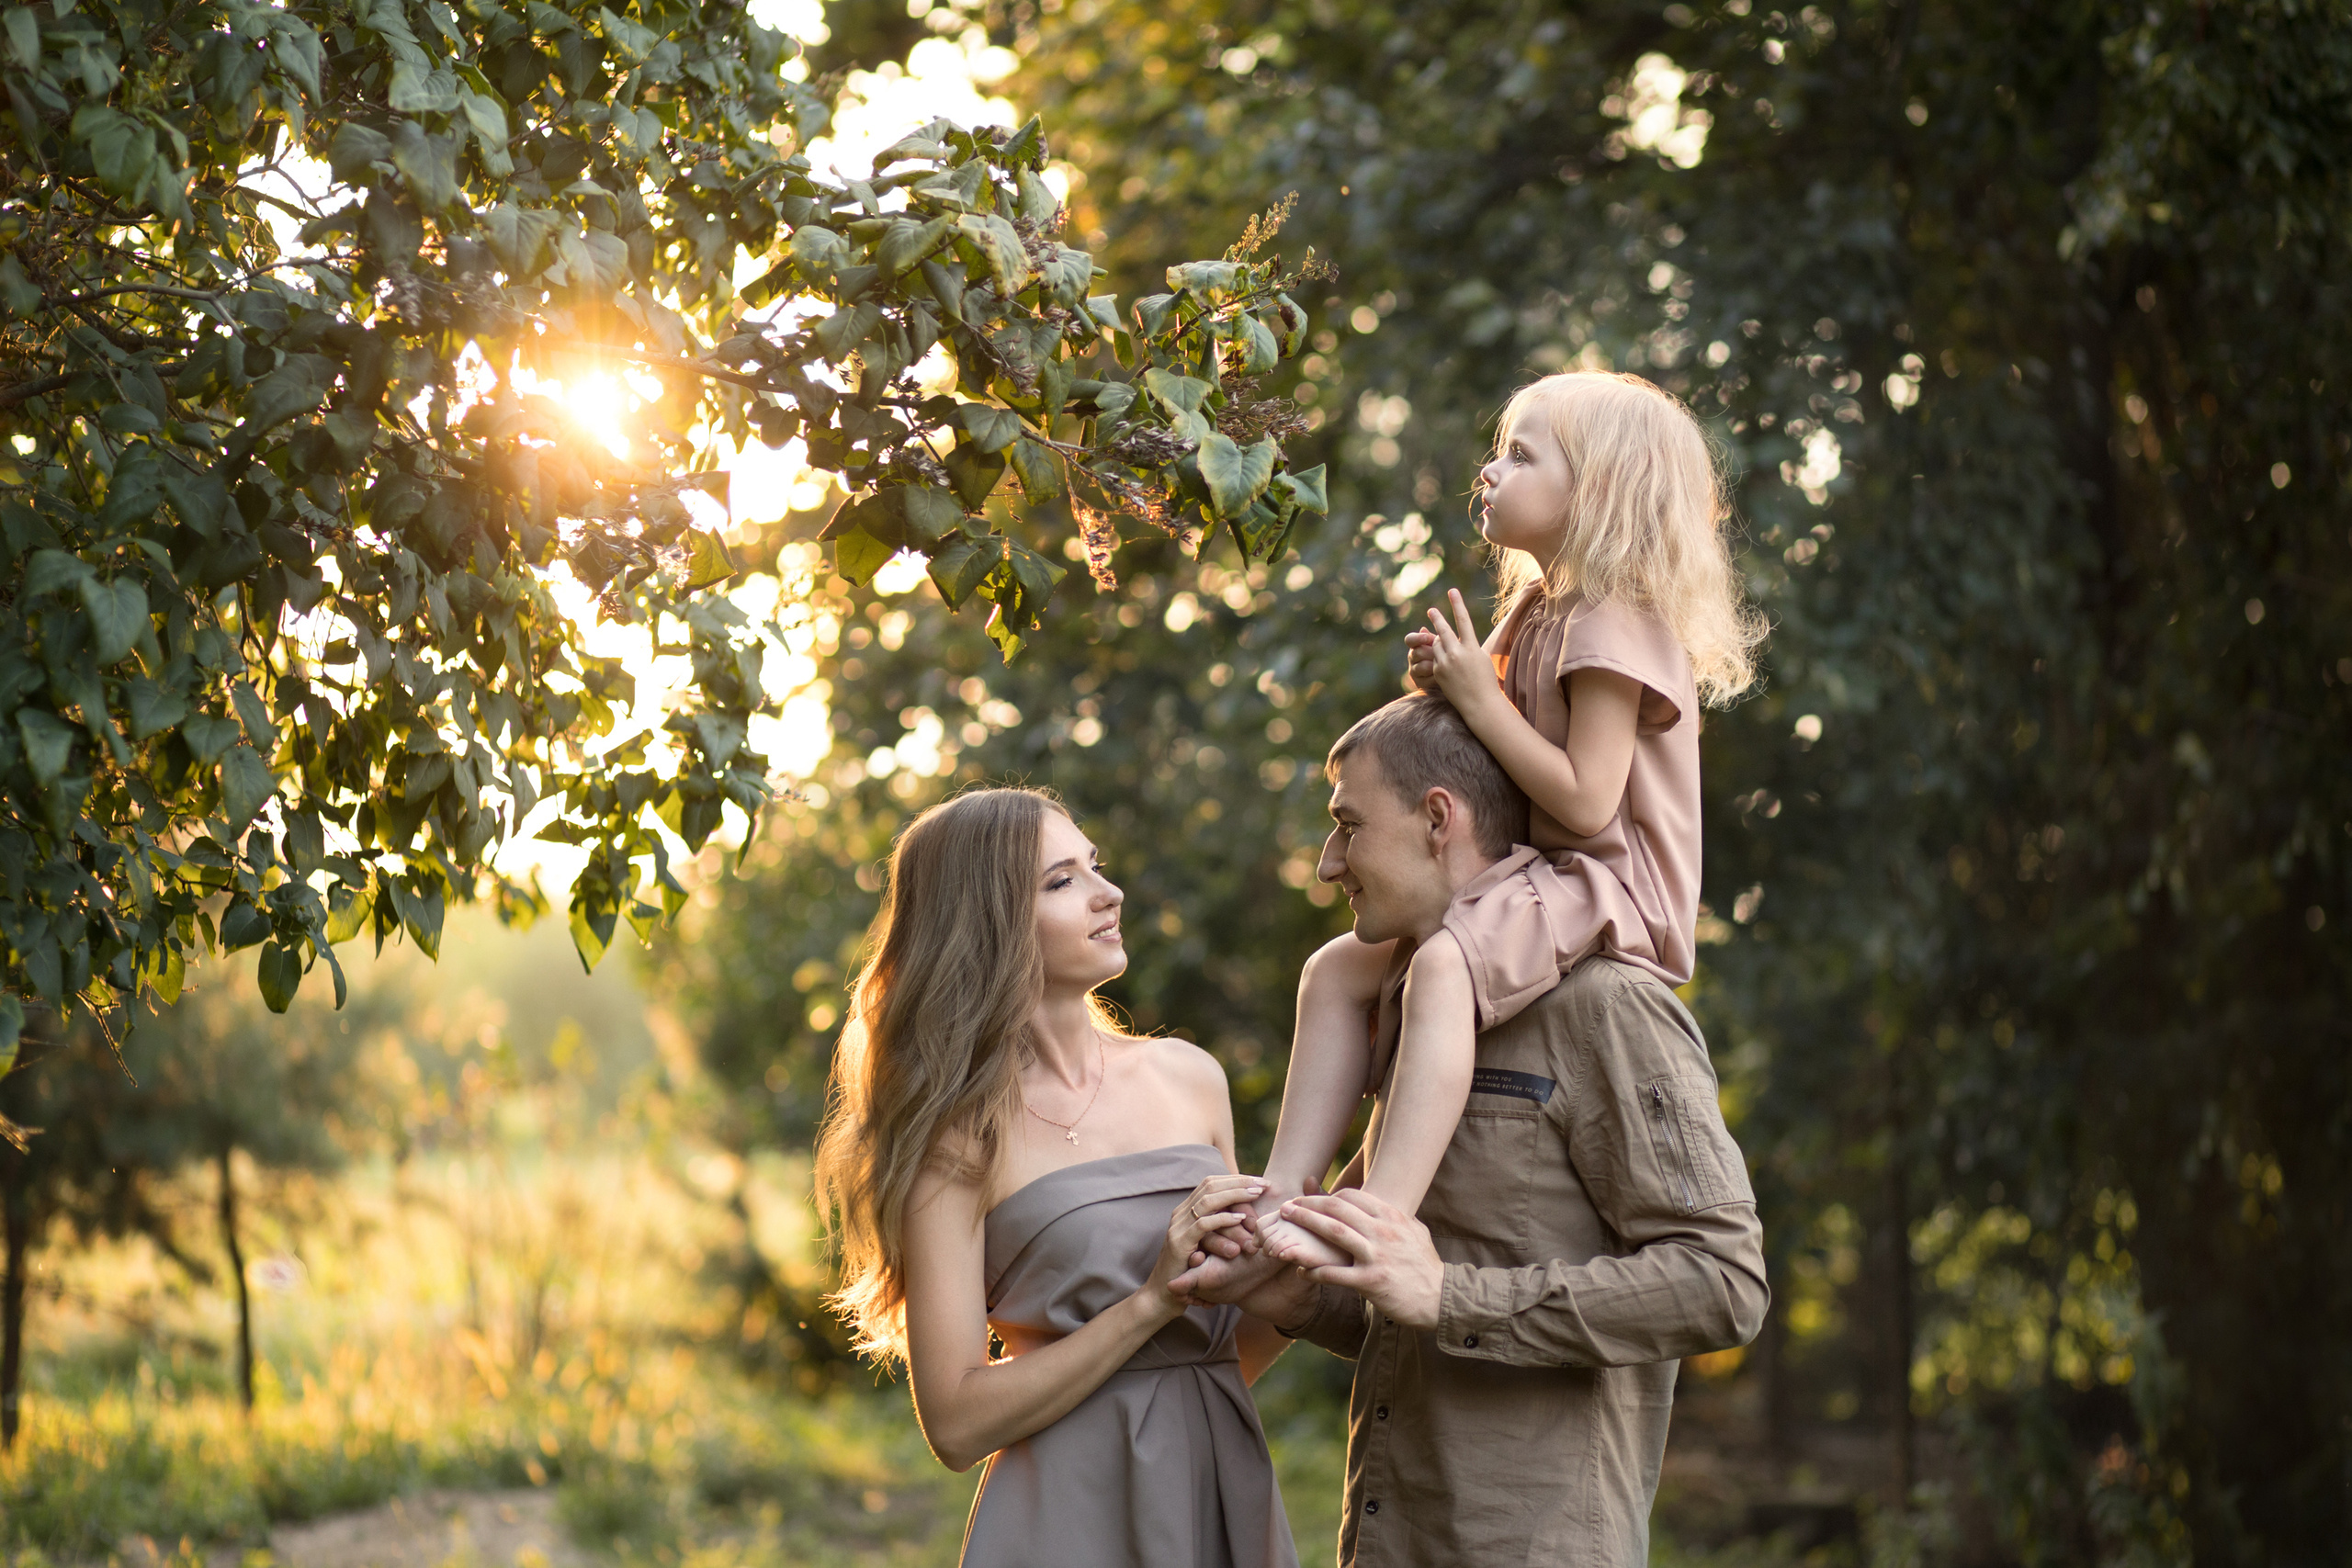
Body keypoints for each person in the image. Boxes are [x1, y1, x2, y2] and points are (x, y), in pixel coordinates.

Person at [1181, 694, 1768, 1565]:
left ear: (1437, 819)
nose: (1327, 863)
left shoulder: (1609, 1005)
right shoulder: (1407, 1013)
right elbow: (1404, 1294)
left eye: (1347, 825)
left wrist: (1455, 1297)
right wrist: (1296, 1293)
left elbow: (1725, 1281)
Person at [1255, 369, 1769, 1269]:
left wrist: (1474, 697)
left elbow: (1582, 801)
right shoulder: (1536, 609)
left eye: (1520, 455)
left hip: (1607, 886)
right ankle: (1284, 1192)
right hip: (1535, 877)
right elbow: (1483, 748)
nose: (1488, 473)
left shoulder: (1615, 620)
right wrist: (1445, 685)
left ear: (1600, 491)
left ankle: (1380, 1217)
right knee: (1336, 968)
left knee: (1446, 965)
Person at [811, 787, 1301, 1568]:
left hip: (1220, 1477)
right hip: (1065, 1520)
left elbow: (1217, 1350)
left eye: (1095, 867)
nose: (1110, 895)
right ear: (988, 920)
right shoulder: (955, 1137)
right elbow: (956, 1424)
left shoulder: (1190, 1078)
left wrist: (1292, 1282)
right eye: (1062, 880)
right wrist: (1149, 1302)